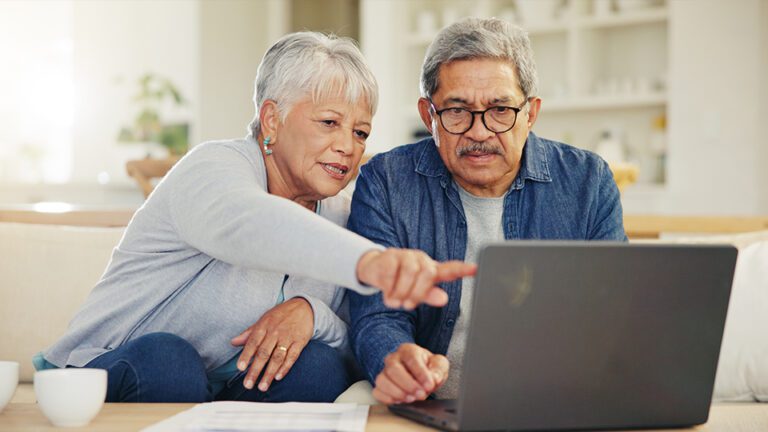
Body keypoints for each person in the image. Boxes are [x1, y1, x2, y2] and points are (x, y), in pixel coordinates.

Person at [34, 32, 475, 403]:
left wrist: (310, 312)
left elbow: (354, 334)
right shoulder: (212, 169)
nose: (348, 145)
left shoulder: (342, 213)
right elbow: (250, 224)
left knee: (320, 367)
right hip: (105, 372)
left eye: (360, 132)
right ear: (271, 119)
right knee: (170, 360)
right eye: (328, 122)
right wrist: (371, 262)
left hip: (223, 387)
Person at [348, 17, 627, 405]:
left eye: (499, 109)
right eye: (457, 111)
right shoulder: (386, 181)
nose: (479, 132)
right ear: (429, 117)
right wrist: (395, 358)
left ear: (530, 113)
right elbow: (376, 315)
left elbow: (612, 314)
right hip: (430, 404)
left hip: (554, 403)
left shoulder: (587, 181)